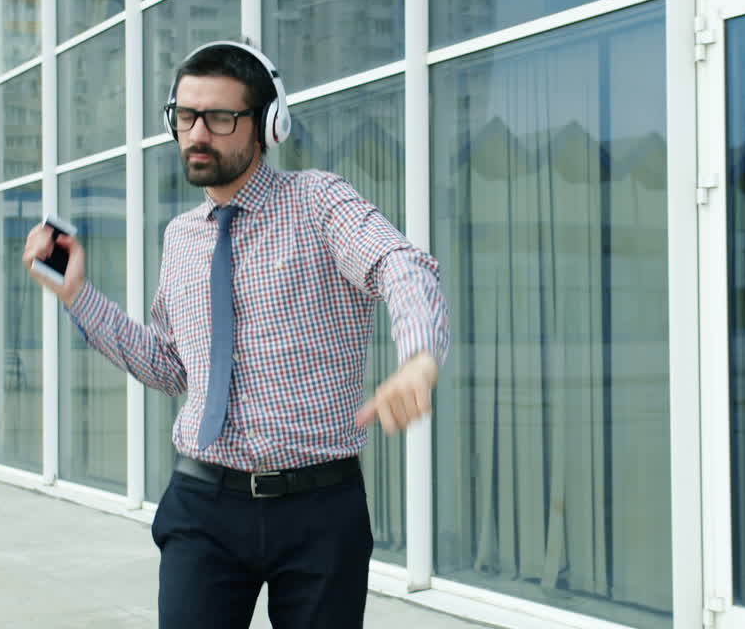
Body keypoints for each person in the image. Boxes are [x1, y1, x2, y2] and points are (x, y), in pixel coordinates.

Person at [22, 40, 449, 628]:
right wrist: (78, 296)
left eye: (221, 118)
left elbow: (399, 266)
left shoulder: (318, 202)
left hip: (319, 509)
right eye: (185, 116)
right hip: (203, 504)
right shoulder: (181, 237)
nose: (198, 133)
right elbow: (170, 366)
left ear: (267, 126)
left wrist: (418, 357)